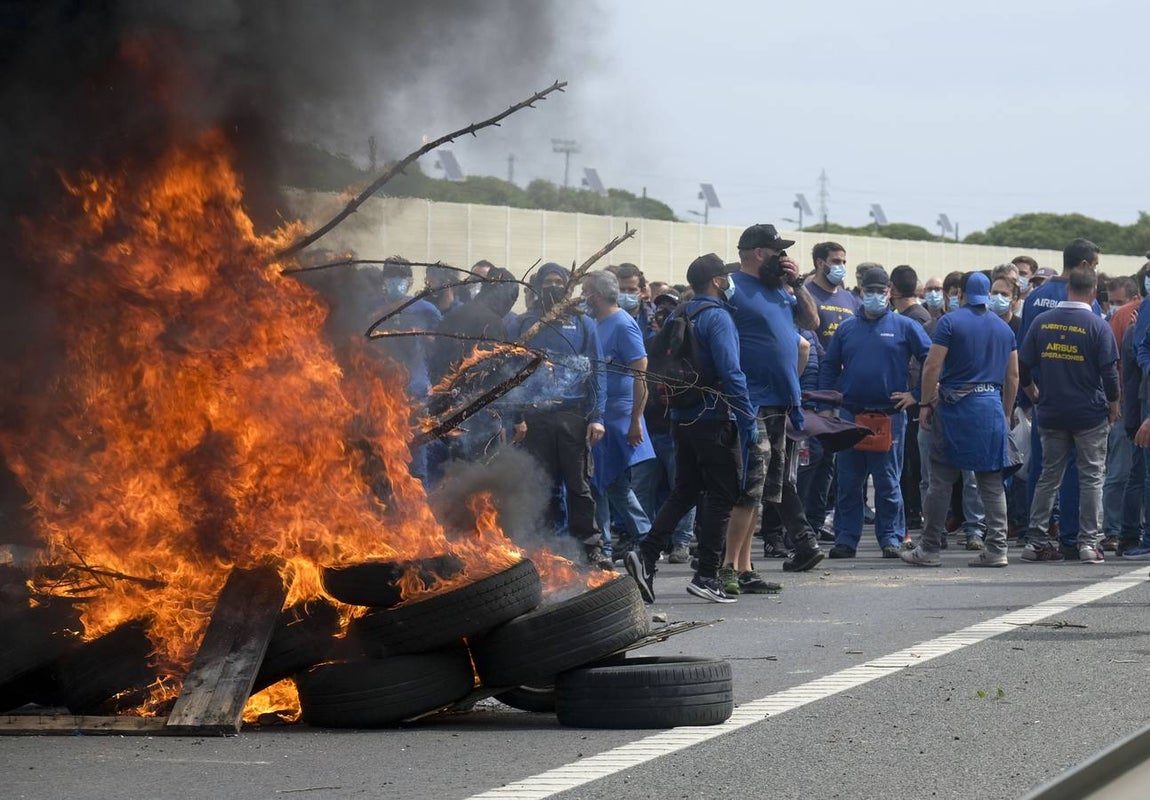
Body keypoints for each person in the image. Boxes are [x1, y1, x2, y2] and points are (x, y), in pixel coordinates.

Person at [625, 253, 757, 604]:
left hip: (680, 417)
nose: (729, 282)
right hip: (714, 418)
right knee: (723, 494)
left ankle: (647, 555)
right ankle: (707, 574)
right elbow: (731, 372)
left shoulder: (678, 313)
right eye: (725, 278)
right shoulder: (717, 317)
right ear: (716, 281)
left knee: (684, 489)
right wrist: (747, 419)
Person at [725, 223, 823, 588]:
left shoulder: (779, 289)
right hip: (750, 401)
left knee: (765, 494)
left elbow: (812, 322)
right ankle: (728, 568)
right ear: (759, 253)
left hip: (780, 402)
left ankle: (746, 569)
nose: (785, 258)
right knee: (748, 490)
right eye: (778, 251)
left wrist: (797, 284)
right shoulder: (732, 286)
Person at [902, 272, 1019, 567]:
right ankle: (997, 550)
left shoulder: (950, 322)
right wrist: (1005, 412)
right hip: (990, 407)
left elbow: (932, 367)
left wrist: (926, 403)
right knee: (990, 482)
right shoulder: (1004, 328)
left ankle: (929, 549)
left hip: (956, 408)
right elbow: (1013, 376)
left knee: (940, 479)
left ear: (963, 294)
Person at [818, 267, 931, 558]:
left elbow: (931, 360)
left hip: (888, 415)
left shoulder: (904, 326)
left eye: (880, 292)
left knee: (888, 481)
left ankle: (890, 538)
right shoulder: (847, 329)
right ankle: (846, 539)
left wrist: (916, 395)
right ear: (861, 293)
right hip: (850, 415)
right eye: (870, 292)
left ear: (889, 292)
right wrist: (825, 406)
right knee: (848, 481)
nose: (875, 297)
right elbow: (829, 366)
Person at [511, 263, 611, 569]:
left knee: (579, 487)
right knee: (545, 486)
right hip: (536, 418)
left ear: (568, 286)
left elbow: (597, 372)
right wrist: (518, 417)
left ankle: (589, 548)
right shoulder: (528, 324)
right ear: (538, 288)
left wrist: (597, 416)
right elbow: (514, 373)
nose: (553, 287)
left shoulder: (583, 325)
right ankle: (548, 549)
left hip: (572, 416)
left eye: (559, 282)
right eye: (548, 282)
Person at [1018, 266, 1119, 563]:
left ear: (1067, 289)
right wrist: (1114, 406)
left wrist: (1033, 393)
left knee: (1049, 476)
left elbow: (1022, 366)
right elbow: (1110, 374)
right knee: (1091, 477)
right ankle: (1088, 543)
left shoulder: (1042, 322)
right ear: (1093, 291)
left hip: (1051, 411)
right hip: (1089, 413)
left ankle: (1035, 541)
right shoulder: (1098, 326)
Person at [580, 270, 655, 559]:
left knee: (612, 484)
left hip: (620, 416)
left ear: (596, 296)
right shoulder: (594, 323)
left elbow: (641, 374)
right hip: (600, 414)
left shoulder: (623, 325)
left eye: (585, 291)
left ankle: (644, 538)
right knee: (604, 483)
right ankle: (609, 545)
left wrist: (636, 421)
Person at [365, 256, 443, 484]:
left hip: (415, 390)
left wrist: (419, 336)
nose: (395, 281)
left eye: (400, 276)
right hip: (380, 391)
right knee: (382, 451)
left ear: (409, 280)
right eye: (390, 276)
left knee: (417, 451)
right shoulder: (372, 307)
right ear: (383, 279)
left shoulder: (426, 309)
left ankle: (419, 504)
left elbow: (440, 346)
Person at [428, 267, 520, 459]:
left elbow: (435, 362)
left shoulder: (453, 315)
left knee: (453, 472)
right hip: (478, 415)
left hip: (445, 410)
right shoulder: (493, 323)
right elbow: (495, 375)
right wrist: (500, 419)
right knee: (479, 478)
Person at [802, 242, 860, 540]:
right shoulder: (807, 294)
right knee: (809, 458)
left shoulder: (850, 299)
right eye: (835, 260)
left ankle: (815, 522)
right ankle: (798, 526)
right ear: (819, 262)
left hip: (843, 390)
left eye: (843, 260)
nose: (840, 265)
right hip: (814, 389)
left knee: (829, 460)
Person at [890, 264, 932, 531]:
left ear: (891, 289)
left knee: (912, 464)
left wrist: (915, 395)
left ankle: (913, 514)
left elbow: (922, 365)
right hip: (916, 400)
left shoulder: (913, 319)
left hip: (914, 404)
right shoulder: (918, 315)